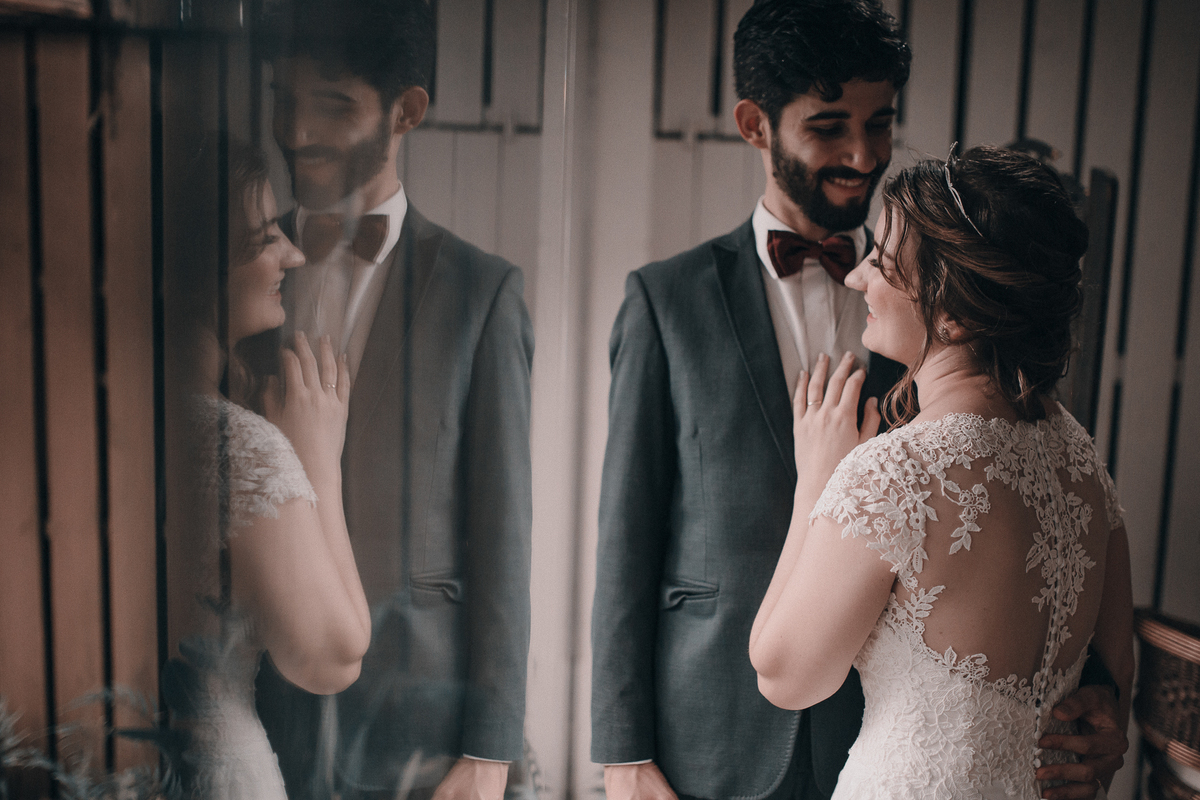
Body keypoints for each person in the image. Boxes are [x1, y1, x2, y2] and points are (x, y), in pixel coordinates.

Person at [590, 2, 1126, 800]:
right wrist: (623, 754)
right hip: (712, 734)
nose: (864, 153)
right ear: (756, 125)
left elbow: (1032, 556)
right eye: (830, 126)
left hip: (880, 728)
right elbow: (625, 544)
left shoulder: (931, 278)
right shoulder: (666, 302)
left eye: (881, 124)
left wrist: (1101, 701)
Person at [748, 145, 1136, 800]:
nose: (857, 277)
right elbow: (1116, 668)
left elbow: (784, 677)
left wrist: (815, 478)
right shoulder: (1079, 455)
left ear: (952, 310)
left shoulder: (898, 472)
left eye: (881, 262)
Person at [250, 1, 534, 798]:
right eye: (284, 98)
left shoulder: (482, 293)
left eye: (332, 104)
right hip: (261, 706)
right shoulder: (236, 268)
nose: (296, 129)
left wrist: (489, 752)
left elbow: (504, 543)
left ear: (406, 111)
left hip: (418, 726)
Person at [170, 141, 372, 800]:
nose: (293, 254)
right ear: (194, 267)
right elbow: (333, 657)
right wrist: (319, 463)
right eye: (264, 239)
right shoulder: (237, 447)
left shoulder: (127, 414)